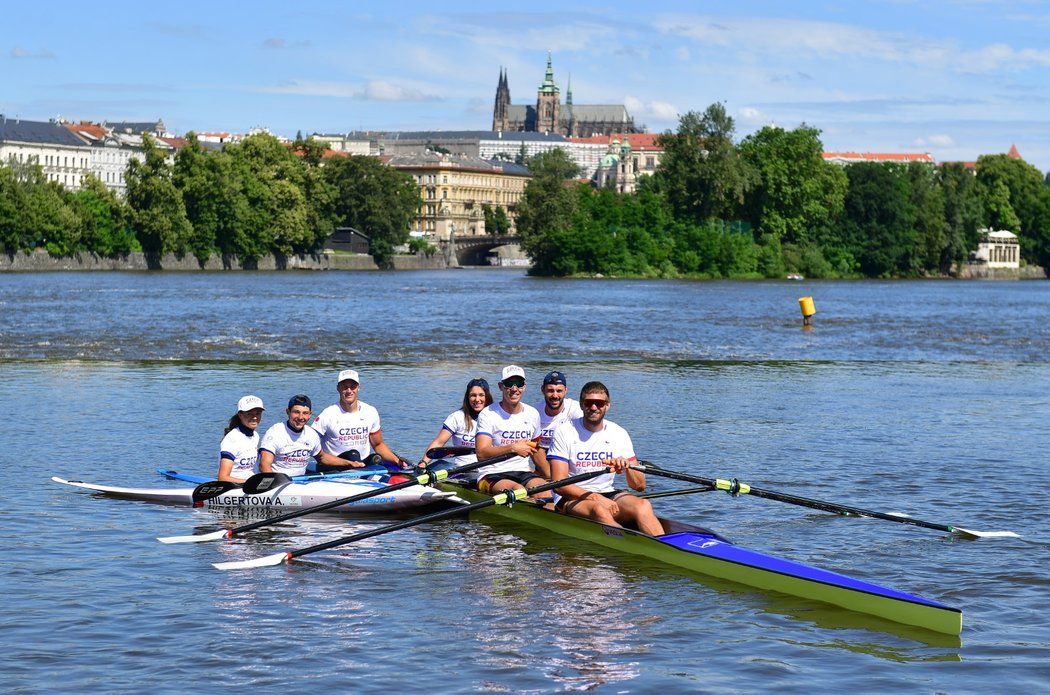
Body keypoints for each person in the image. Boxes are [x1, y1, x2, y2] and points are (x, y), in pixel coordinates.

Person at [547, 381, 663, 535]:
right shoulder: (565, 432)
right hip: (569, 497)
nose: (594, 407)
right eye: (589, 403)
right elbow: (559, 484)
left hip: (607, 492)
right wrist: (596, 498)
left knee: (643, 505)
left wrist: (628, 467)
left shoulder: (618, 433)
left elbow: (639, 486)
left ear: (607, 405)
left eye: (599, 403)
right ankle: (629, 546)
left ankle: (666, 547)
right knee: (599, 509)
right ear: (581, 405)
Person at [310, 369, 410, 472]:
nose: (349, 391)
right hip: (334, 468)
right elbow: (310, 442)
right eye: (345, 387)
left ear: (358, 388)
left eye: (353, 387)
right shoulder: (327, 415)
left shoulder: (370, 411)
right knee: (353, 454)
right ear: (338, 388)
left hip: (361, 465)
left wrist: (397, 461)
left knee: (376, 459)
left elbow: (378, 445)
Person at [474, 365, 546, 495]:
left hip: (523, 471)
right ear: (501, 386)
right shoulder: (488, 414)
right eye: (509, 384)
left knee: (546, 491)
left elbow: (536, 451)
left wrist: (551, 477)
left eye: (518, 384)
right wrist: (512, 448)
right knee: (518, 490)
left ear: (524, 387)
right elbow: (481, 453)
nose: (514, 389)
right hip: (491, 474)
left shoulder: (533, 414)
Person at [421, 377, 494, 469]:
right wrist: (423, 463)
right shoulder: (457, 417)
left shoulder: (495, 417)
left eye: (481, 395)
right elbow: (439, 442)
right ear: (468, 397)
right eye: (473, 395)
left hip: (488, 469)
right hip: (463, 470)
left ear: (487, 396)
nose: (477, 399)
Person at [258, 394, 322, 478]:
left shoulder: (311, 434)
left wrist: (345, 462)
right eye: (296, 412)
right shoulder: (275, 433)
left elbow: (322, 457)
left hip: (300, 482)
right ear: (288, 412)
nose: (301, 417)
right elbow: (264, 465)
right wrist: (275, 482)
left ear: (310, 414)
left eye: (305, 413)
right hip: (278, 481)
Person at [534, 370, 583, 476]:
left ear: (566, 390)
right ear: (542, 390)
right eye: (550, 390)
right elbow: (532, 447)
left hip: (567, 457)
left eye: (559, 391)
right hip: (543, 458)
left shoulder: (577, 410)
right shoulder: (534, 412)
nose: (555, 395)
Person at [217, 395, 264, 483]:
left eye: (258, 413)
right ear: (240, 415)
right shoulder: (232, 440)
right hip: (232, 486)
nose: (254, 417)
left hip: (250, 484)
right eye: (249, 414)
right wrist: (250, 483)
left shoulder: (256, 436)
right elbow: (222, 478)